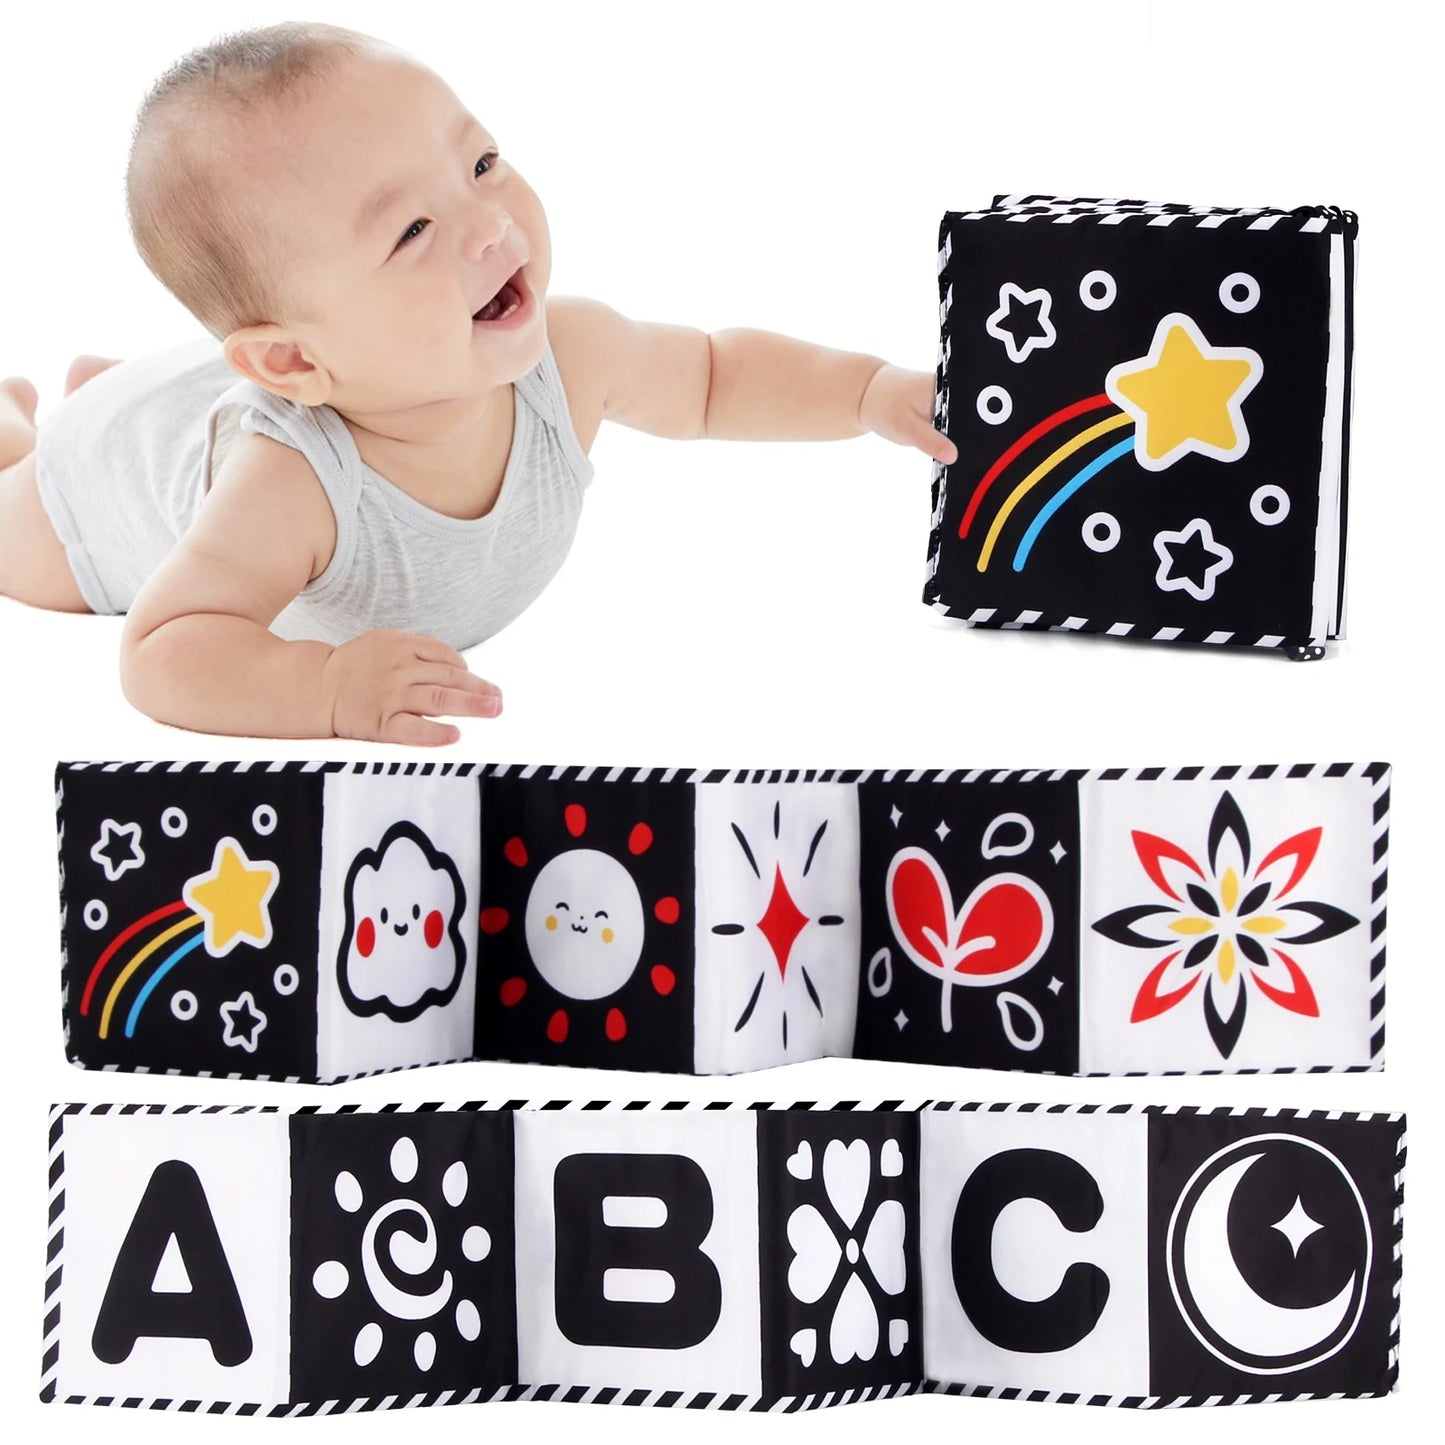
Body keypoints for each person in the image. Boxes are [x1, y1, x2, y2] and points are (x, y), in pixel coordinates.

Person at [0, 21, 955, 745]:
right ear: (294, 362)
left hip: (200, 390)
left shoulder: (566, 358)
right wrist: (323, 691)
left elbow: (712, 376)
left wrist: (867, 391)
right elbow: (163, 648)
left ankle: (102, 387)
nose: (489, 226)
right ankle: (32, 426)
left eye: (481, 163)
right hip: (94, 488)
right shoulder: (290, 487)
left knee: (158, 407)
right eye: (411, 232)